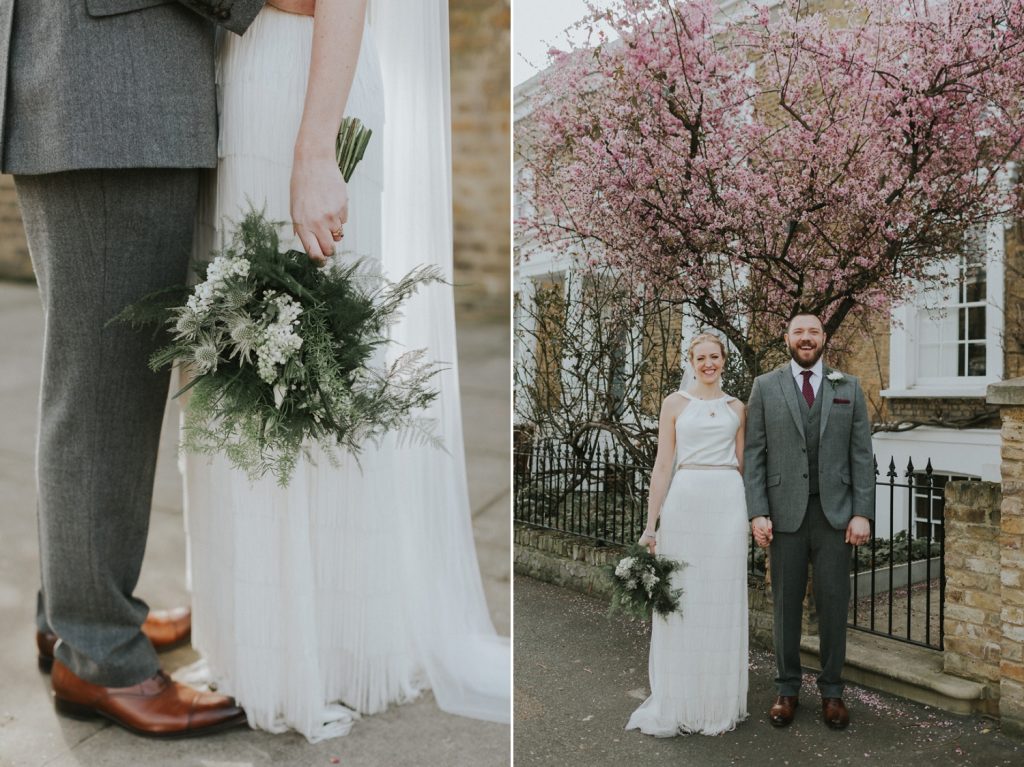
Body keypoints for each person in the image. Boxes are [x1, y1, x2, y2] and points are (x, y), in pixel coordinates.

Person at [178, 0, 510, 741]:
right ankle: (252, 642)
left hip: (304, 84)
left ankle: (315, 650)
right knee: (238, 355)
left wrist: (314, 148)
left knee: (306, 370)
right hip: (240, 73)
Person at [3, 0, 283, 738]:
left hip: (104, 83)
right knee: (101, 395)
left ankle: (74, 614)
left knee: (93, 382)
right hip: (108, 90)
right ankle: (99, 653)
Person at [744, 311, 874, 730]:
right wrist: (757, 511)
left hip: (835, 515)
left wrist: (862, 512)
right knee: (785, 605)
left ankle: (833, 692)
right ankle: (787, 689)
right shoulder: (765, 386)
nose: (806, 338)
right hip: (785, 515)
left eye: (813, 332)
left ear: (823, 338)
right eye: (798, 331)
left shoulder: (848, 386)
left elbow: (861, 456)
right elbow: (755, 455)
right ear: (787, 337)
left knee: (834, 605)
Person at [626, 333, 749, 737]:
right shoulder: (674, 404)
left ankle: (716, 700)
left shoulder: (737, 407)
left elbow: (744, 464)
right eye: (701, 357)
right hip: (686, 500)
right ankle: (680, 697)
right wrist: (651, 525)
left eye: (715, 356)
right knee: (685, 598)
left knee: (721, 596)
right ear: (691, 361)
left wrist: (750, 516)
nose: (708, 363)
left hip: (727, 502)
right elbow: (663, 466)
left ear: (724, 360)